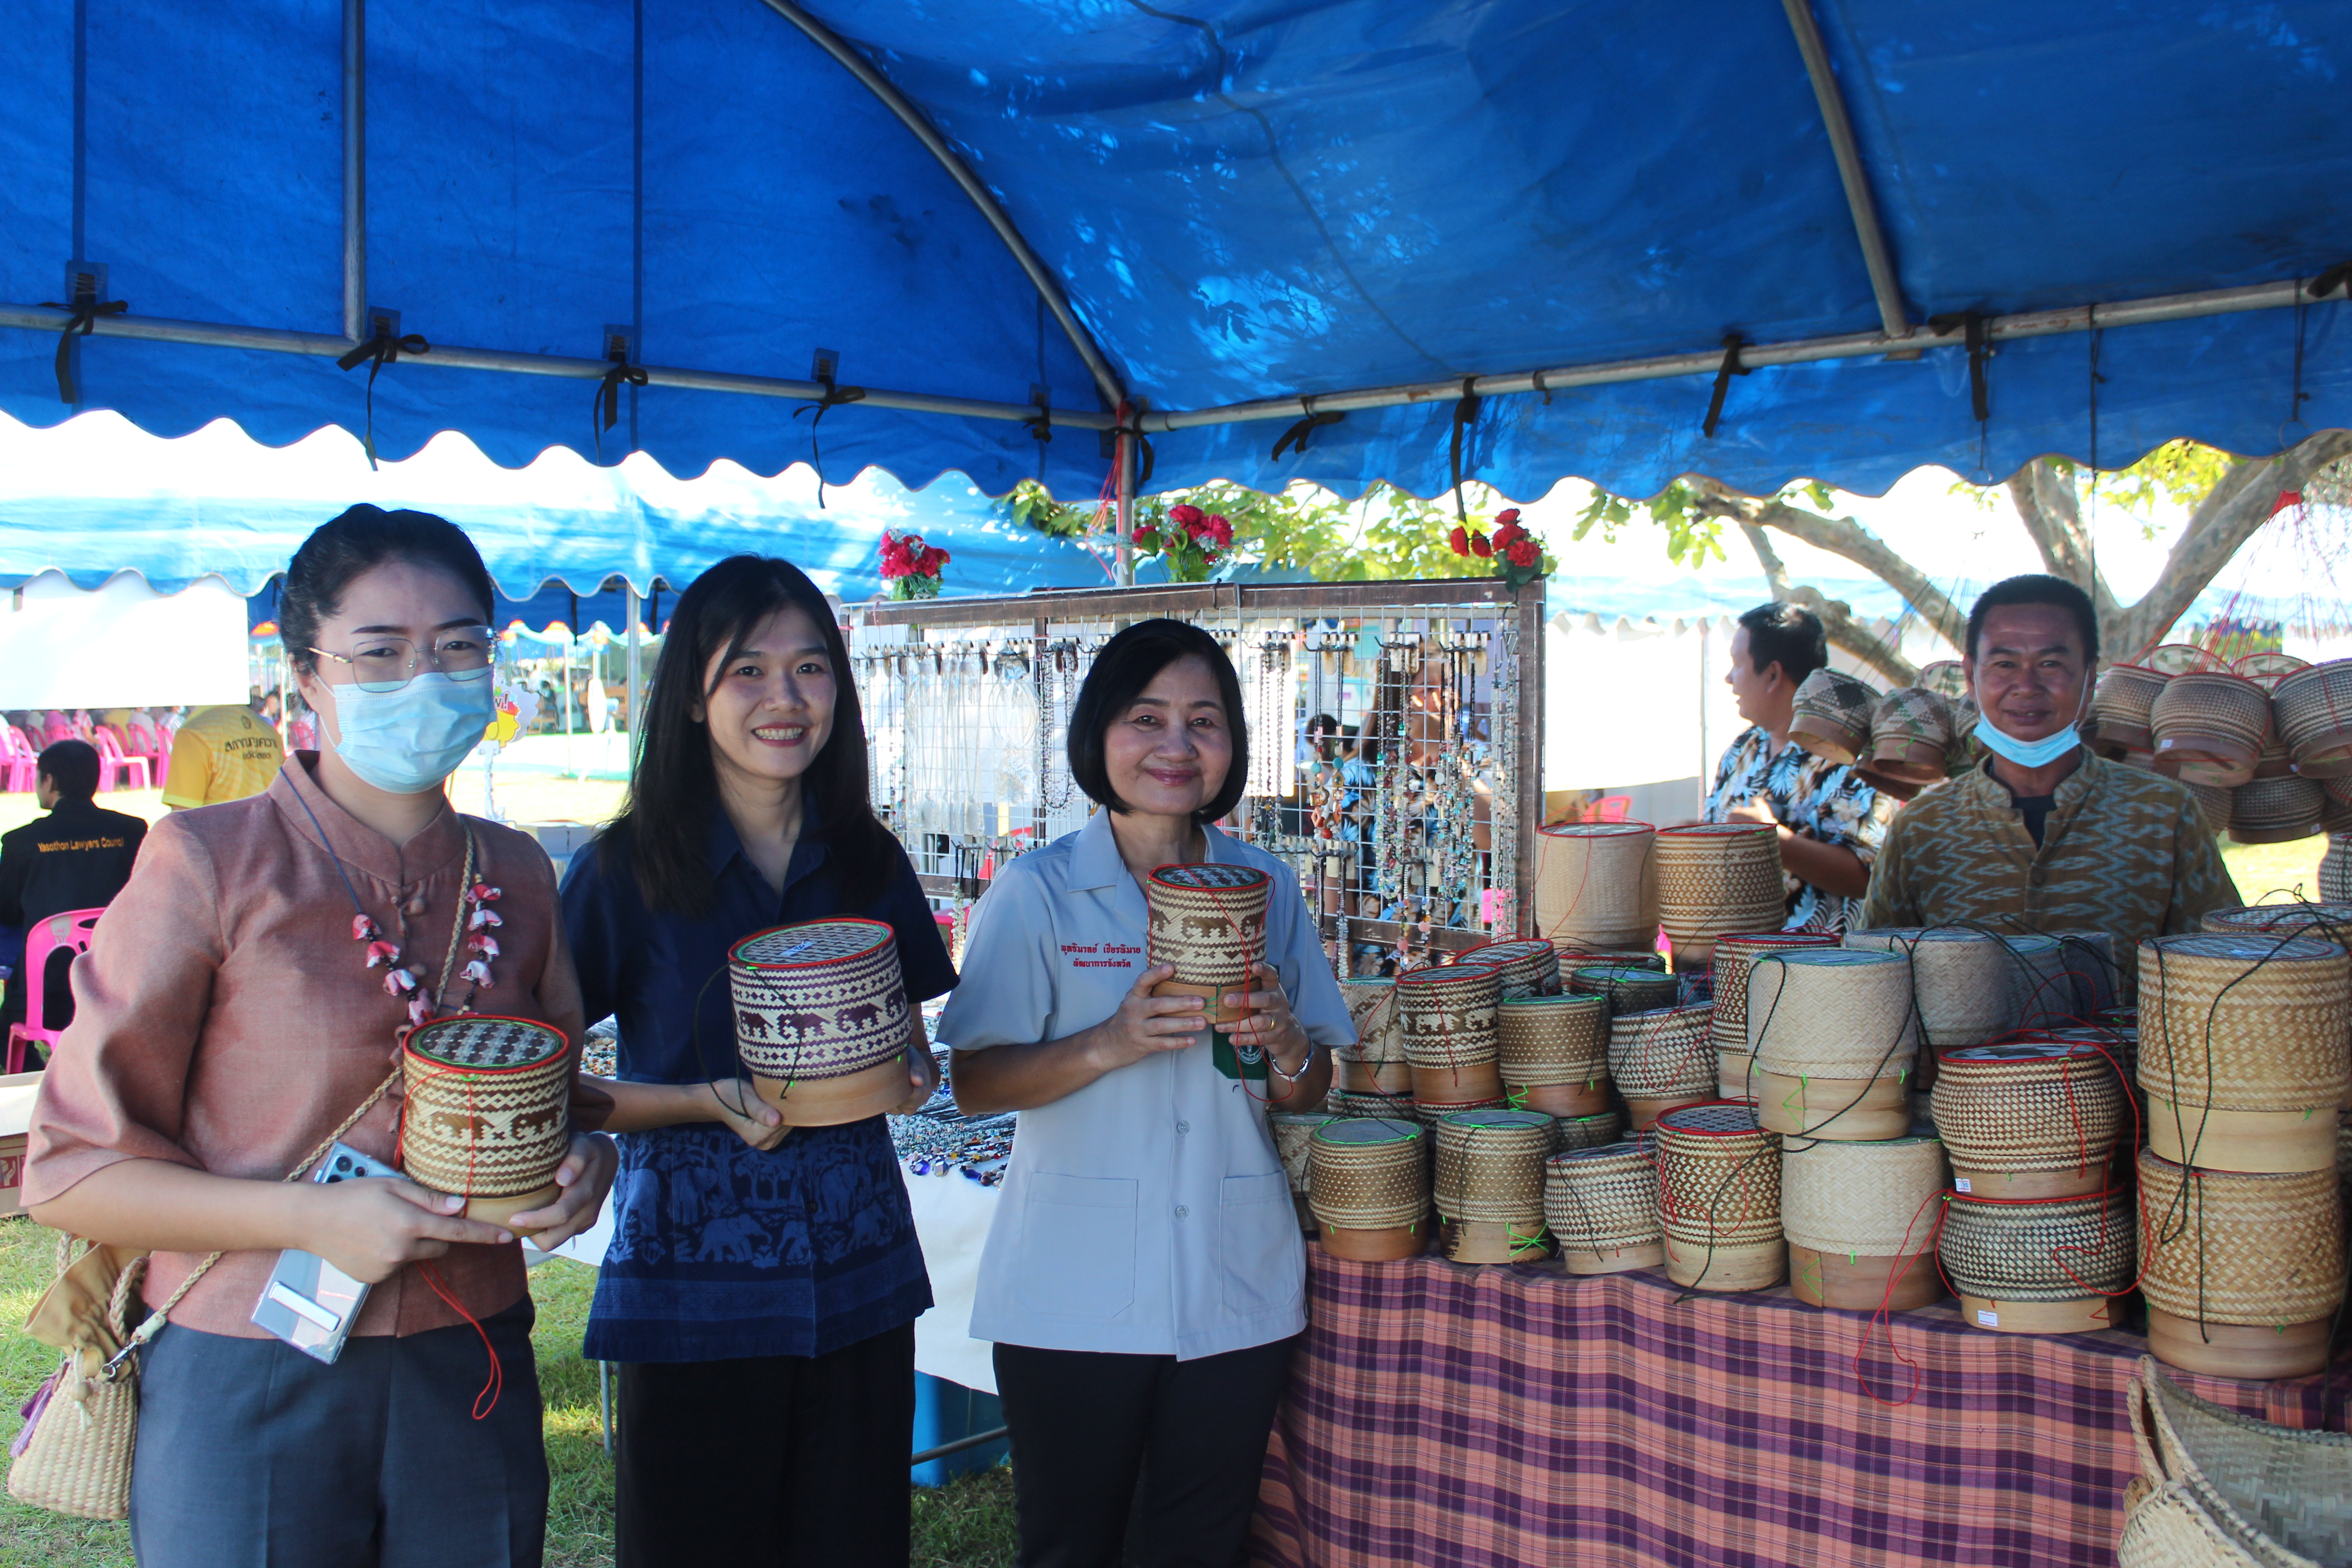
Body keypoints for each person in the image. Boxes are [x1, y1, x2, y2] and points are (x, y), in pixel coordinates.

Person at [24, 504, 618, 1566]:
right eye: (380, 651)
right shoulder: (210, 861)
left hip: (470, 1355)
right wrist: (307, 1217)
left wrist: (585, 1165)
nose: (425, 678)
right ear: (305, 671)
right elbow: (71, 1171)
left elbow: (560, 1100)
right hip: (246, 1358)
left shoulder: (518, 870)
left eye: (458, 646)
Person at [560, 554, 953, 1568]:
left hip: (859, 1278)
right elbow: (551, 1086)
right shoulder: (625, 870)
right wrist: (700, 1099)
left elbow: (911, 1049)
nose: (786, 697)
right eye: (749, 670)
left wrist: (909, 1076)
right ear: (693, 697)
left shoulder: (867, 859)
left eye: (810, 668)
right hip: (692, 1292)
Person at [941, 618, 1349, 1568]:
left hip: (1233, 1280)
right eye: (1146, 717)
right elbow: (973, 1082)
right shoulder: (1040, 891)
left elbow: (1307, 1092)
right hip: (1073, 1289)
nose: (1176, 745)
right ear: (1099, 734)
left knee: (1200, 1545)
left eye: (1203, 721)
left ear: (1232, 744)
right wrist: (1107, 1043)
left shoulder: (1265, 885)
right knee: (1072, 1546)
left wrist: (1288, 1042)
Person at [1860, 574, 2240, 949]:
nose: (2027, 687)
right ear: (1972, 676)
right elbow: (1876, 969)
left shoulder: (2164, 813)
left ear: (2090, 676)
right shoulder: (1921, 828)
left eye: (2051, 664)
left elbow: (2221, 962)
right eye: (2005, 664)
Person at [1703, 602, 1889, 934]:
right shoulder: (1742, 749)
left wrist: (1776, 840)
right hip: (1735, 956)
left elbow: (1870, 876)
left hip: (1823, 962)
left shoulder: (1850, 756)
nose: (1729, 678)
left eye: (1738, 664)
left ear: (1773, 675)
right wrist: (1694, 835)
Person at [0, 740, 147, 1044]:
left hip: (45, 990)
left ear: (49, 781)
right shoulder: (132, 831)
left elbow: (7, 910)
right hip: (117, 976)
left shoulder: (21, 842)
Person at [159, 689, 287, 808]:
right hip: (268, 822)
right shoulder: (269, 731)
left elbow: (184, 813)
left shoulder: (194, 734)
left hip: (221, 824)